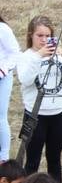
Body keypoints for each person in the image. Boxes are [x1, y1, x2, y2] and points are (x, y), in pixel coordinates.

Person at [16, 15, 62, 183]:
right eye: (39, 35)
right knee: (33, 159)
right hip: (35, 115)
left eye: (47, 36)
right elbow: (25, 79)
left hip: (58, 114)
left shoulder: (58, 56)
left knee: (54, 157)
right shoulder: (26, 57)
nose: (44, 40)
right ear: (31, 36)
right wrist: (38, 57)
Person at [0, 13, 21, 162]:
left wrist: (4, 69)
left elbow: (15, 52)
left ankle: (4, 157)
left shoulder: (3, 29)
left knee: (0, 116)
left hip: (2, 78)